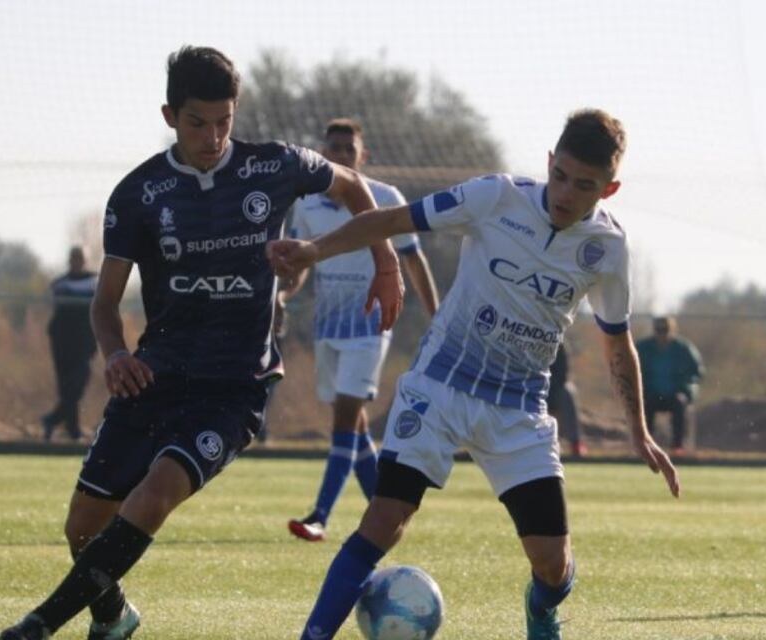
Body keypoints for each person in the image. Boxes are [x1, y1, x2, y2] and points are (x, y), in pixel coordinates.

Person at [0, 45, 403, 640]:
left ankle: (35, 626)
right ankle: (113, 617)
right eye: (197, 123)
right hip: (155, 376)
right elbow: (104, 304)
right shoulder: (138, 193)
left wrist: (385, 261)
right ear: (170, 116)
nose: (213, 137)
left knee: (155, 494)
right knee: (82, 529)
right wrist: (116, 354)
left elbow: (352, 186)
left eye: (224, 121)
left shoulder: (275, 165)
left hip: (234, 388)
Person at [268, 108, 680, 640]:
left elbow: (617, 341)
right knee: (384, 520)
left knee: (552, 565)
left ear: (610, 189)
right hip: (439, 385)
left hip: (518, 409)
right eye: (560, 176)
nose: (564, 193)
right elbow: (391, 221)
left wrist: (639, 431)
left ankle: (542, 610)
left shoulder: (608, 248)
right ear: (549, 162)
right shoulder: (495, 198)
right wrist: (313, 249)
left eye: (584, 185)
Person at [284, 118, 439, 542]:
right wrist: (282, 294)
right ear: (323, 153)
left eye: (347, 149)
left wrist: (437, 315)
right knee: (353, 425)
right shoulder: (307, 204)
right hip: (327, 325)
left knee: (345, 416)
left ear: (362, 156)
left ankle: (320, 516)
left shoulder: (385, 199)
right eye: (333, 148)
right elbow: (300, 263)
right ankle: (383, 510)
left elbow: (413, 259)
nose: (340, 155)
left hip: (371, 325)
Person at [41, 246, 98, 441]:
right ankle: (73, 430)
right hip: (63, 340)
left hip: (85, 339)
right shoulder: (60, 283)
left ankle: (52, 419)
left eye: (79, 258)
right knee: (66, 387)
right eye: (73, 258)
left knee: (78, 383)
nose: (76, 262)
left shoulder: (94, 281)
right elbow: (55, 302)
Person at [635, 316, 705, 456]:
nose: (662, 333)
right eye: (658, 330)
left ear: (672, 330)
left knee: (679, 403)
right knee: (645, 407)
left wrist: (686, 389)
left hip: (675, 394)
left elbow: (697, 371)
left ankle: (677, 446)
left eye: (665, 329)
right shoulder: (643, 347)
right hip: (650, 394)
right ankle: (646, 445)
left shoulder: (683, 348)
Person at [547, 342, 587, 458]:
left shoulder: (558, 344)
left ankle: (575, 442)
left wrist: (550, 389)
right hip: (528, 386)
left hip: (552, 388)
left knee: (568, 392)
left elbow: (562, 373)